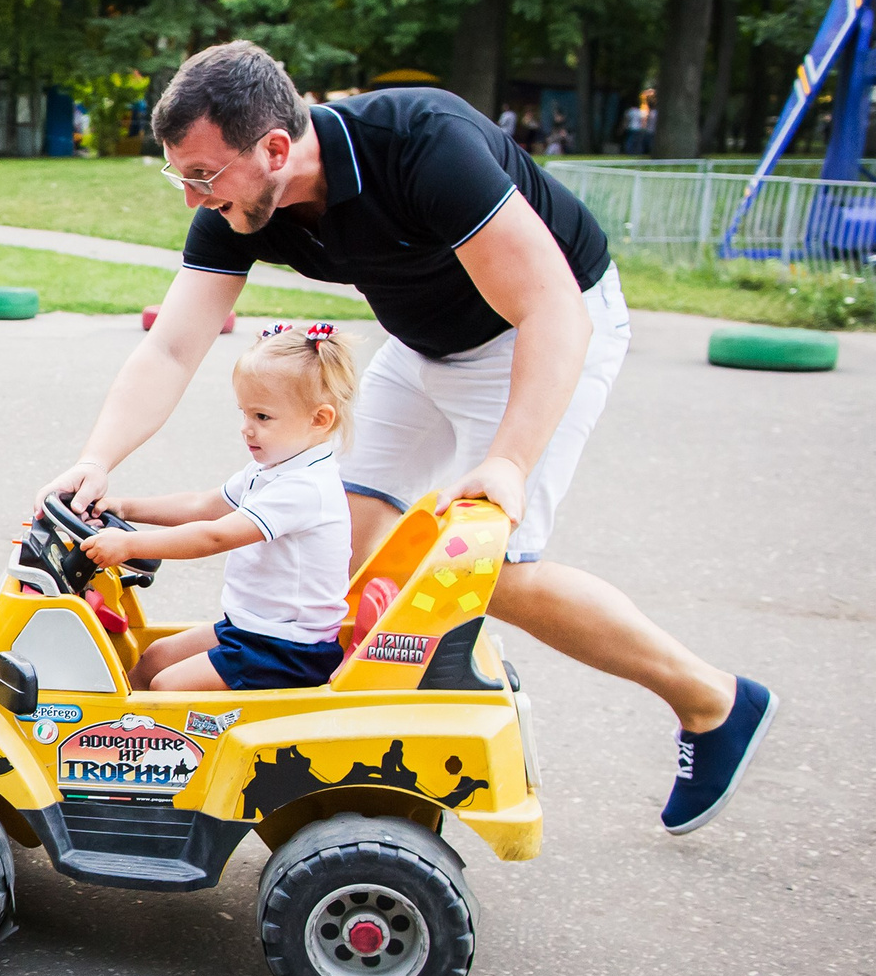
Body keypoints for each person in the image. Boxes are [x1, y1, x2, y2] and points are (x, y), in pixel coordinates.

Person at [40, 41, 774, 834]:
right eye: (179, 174)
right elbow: (174, 344)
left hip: (542, 327)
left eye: (203, 174)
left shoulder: (423, 143)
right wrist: (96, 461)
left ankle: (713, 702)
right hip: (422, 345)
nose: (191, 196)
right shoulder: (242, 204)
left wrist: (509, 462)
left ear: (276, 148)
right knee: (340, 533)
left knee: (489, 569)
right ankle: (364, 738)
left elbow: (551, 306)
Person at [82, 323, 358, 691]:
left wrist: (129, 545)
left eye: (262, 417)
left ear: (319, 419)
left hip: (286, 649)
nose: (246, 428)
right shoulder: (272, 468)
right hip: (250, 628)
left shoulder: (305, 487)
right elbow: (204, 505)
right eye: (243, 413)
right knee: (154, 659)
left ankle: (151, 744)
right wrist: (123, 506)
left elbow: (215, 536)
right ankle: (116, 736)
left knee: (169, 687)